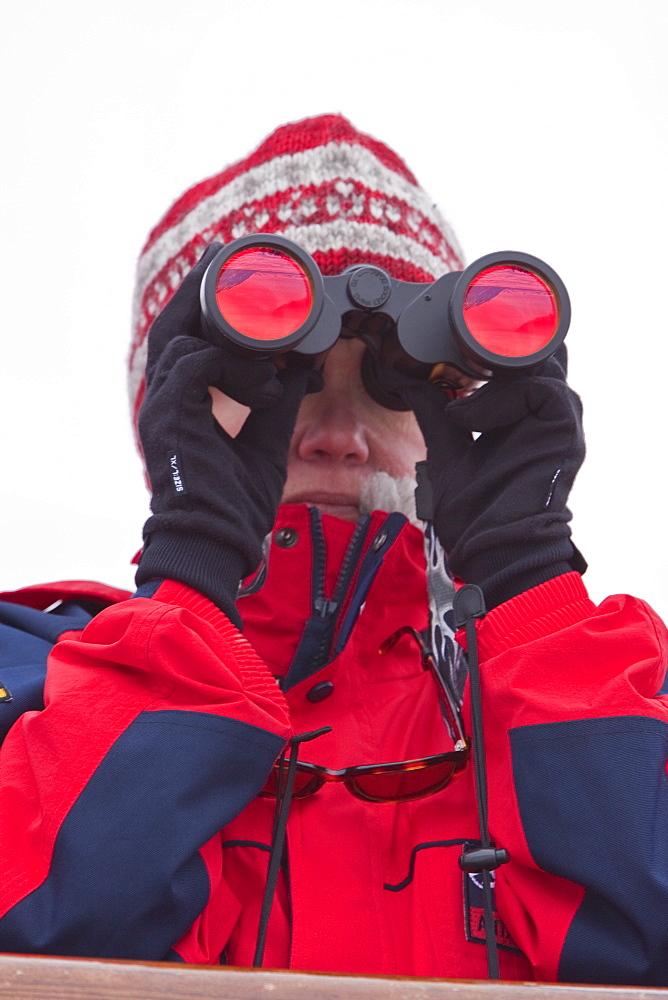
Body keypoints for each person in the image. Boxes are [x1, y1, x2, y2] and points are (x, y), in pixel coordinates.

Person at [0, 113, 667, 986]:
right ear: (173, 415)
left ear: (451, 422)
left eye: (393, 391)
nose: (340, 437)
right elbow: (46, 927)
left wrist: (528, 580)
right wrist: (195, 570)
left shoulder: (588, 691)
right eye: (279, 388)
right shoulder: (32, 678)